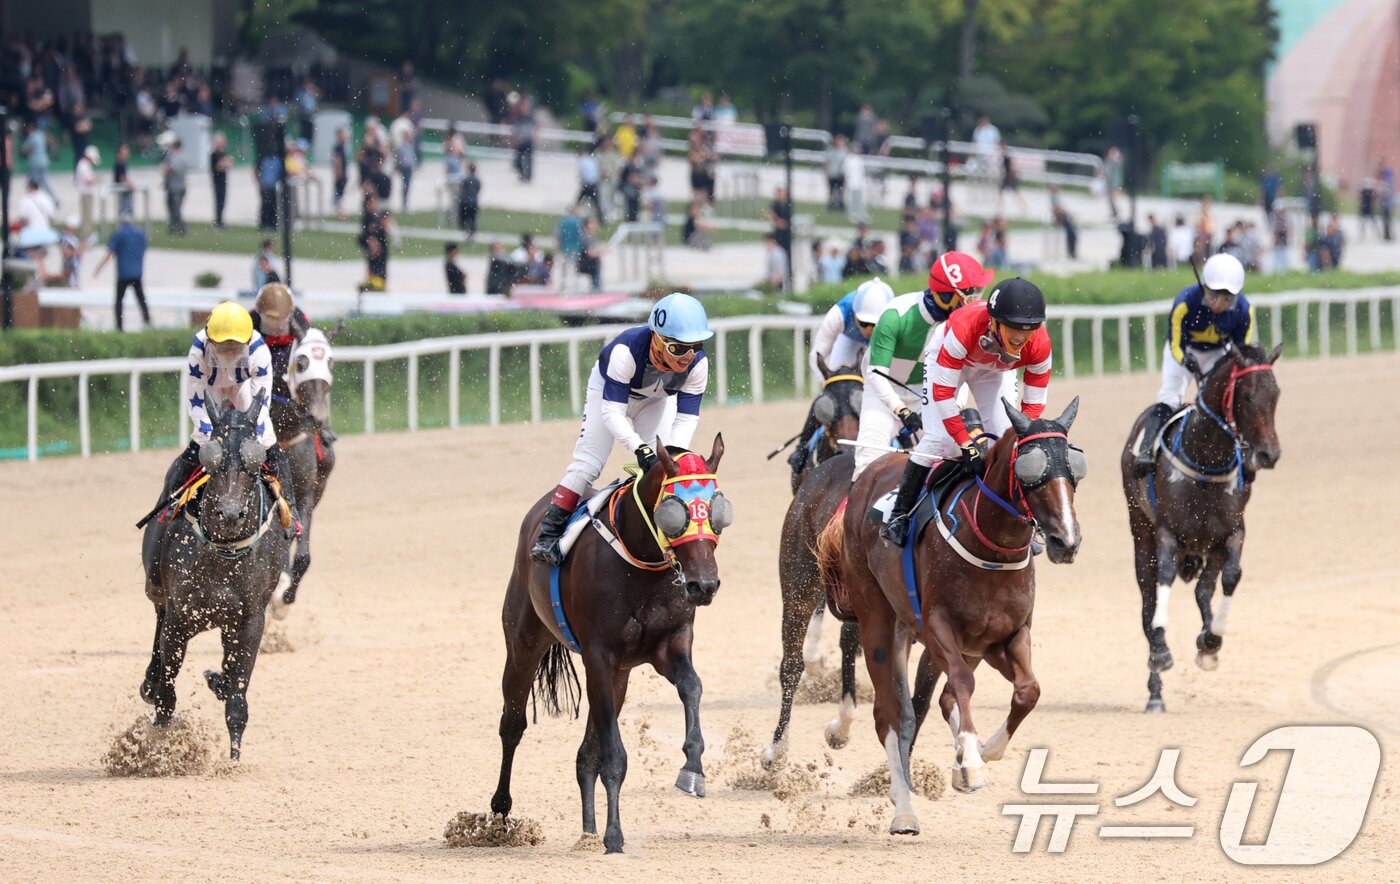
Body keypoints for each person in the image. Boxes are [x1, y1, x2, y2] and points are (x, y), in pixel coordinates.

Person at [529, 293, 713, 564]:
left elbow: (686, 419)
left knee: (660, 473)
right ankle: (548, 535)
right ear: (657, 339)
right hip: (610, 395)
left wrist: (672, 456)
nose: (688, 357)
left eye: (695, 346)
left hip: (656, 400)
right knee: (588, 464)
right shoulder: (625, 352)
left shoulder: (699, 364)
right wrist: (639, 448)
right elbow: (612, 413)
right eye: (678, 348)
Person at [881, 278, 1053, 545]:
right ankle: (899, 514)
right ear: (994, 322)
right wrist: (966, 444)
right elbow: (943, 395)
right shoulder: (964, 328)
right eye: (1013, 328)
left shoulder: (1040, 344)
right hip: (952, 357)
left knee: (1007, 440)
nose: (1020, 337)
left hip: (996, 369)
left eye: (1028, 329)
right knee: (939, 439)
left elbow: (1032, 408)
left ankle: (1018, 519)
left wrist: (1018, 440)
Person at [148, 301, 299, 567]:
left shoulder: (259, 350)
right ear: (210, 339)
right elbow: (196, 402)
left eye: (235, 346)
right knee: (197, 446)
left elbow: (261, 406)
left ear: (247, 340)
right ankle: (170, 504)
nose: (229, 351)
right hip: (211, 386)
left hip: (243, 387)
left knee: (269, 444)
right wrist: (211, 438)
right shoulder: (198, 349)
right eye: (224, 345)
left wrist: (249, 438)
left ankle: (292, 512)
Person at [850, 252, 995, 484]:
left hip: (927, 396)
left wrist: (954, 407)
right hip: (883, 395)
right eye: (970, 294)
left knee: (948, 457)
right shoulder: (896, 314)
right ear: (946, 296)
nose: (975, 300)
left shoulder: (965, 322)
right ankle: (850, 505)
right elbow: (875, 374)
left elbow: (964, 373)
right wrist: (901, 410)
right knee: (867, 461)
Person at [1131, 253, 1253, 475]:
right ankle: (1146, 450)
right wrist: (1185, 360)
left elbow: (1240, 352)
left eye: (1227, 299)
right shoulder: (1185, 302)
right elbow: (1175, 344)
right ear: (1204, 287)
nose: (1219, 304)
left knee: (1230, 401)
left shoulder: (1244, 310)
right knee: (1170, 396)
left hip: (1218, 354)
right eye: (1214, 296)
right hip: (1184, 352)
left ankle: (1246, 452)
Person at [786, 278, 896, 477]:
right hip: (848, 342)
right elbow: (817, 354)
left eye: (875, 325)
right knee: (835, 396)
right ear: (855, 314)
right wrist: (831, 386)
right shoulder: (840, 312)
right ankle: (802, 448)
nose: (869, 331)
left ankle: (905, 441)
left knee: (888, 397)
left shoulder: (897, 317)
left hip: (883, 347)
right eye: (864, 323)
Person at [92, 211, 150, 331]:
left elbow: (110, 252)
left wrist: (98, 268)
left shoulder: (119, 234)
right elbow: (143, 251)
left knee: (119, 301)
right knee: (141, 299)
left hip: (124, 273)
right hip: (136, 273)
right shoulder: (139, 233)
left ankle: (119, 326)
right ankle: (147, 321)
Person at [161, 138, 189, 236]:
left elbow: (170, 170)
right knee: (172, 208)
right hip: (176, 186)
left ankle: (181, 228)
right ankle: (173, 228)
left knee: (175, 209)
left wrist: (165, 170)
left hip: (176, 187)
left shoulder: (177, 158)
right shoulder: (178, 157)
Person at [75, 145, 99, 247]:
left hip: (87, 193)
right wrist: (97, 179)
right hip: (86, 194)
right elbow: (88, 181)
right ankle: (85, 239)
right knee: (86, 218)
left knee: (88, 217)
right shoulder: (83, 166)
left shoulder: (84, 165)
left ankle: (87, 238)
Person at [209, 133, 231, 228]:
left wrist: (225, 163)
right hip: (217, 181)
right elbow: (218, 167)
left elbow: (228, 164)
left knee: (222, 201)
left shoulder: (223, 154)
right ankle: (218, 221)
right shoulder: (214, 155)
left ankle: (220, 220)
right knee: (218, 201)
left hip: (223, 181)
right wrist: (223, 163)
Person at [825, 134, 849, 210]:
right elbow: (826, 161)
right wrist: (826, 171)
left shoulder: (845, 151)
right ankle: (831, 204)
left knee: (841, 190)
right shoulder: (831, 150)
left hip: (841, 174)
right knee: (832, 190)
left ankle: (841, 204)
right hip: (832, 173)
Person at [331, 127, 350, 218]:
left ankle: (339, 210)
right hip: (341, 174)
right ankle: (339, 211)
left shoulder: (342, 146)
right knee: (339, 192)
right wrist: (339, 173)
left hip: (343, 172)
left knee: (340, 192)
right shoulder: (338, 146)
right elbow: (337, 160)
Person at [113, 144, 135, 217]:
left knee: (128, 211)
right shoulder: (119, 164)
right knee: (125, 211)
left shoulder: (124, 163)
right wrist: (129, 184)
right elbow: (121, 178)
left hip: (125, 190)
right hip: (123, 191)